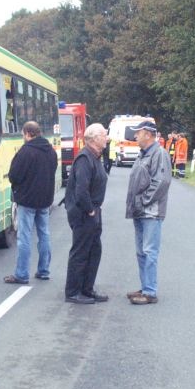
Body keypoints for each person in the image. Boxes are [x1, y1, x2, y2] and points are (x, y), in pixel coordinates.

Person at [4, 121, 58, 284]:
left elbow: (14, 175)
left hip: (27, 199)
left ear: (28, 133)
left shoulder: (25, 152)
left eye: (22, 134)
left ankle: (21, 273)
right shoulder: (51, 151)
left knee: (24, 236)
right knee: (44, 234)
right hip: (45, 199)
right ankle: (43, 270)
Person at [125, 119, 171, 305]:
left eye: (138, 132)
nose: (135, 135)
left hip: (150, 212)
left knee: (149, 251)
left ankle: (150, 292)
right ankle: (145, 287)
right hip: (140, 211)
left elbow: (161, 181)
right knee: (141, 252)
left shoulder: (159, 153)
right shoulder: (143, 154)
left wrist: (143, 201)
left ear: (147, 134)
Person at [63, 123, 109, 304]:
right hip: (83, 213)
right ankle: (73, 292)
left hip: (94, 211)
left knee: (94, 250)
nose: (107, 138)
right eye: (104, 135)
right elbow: (81, 190)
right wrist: (90, 209)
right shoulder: (84, 158)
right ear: (95, 138)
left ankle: (87, 289)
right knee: (81, 252)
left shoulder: (95, 157)